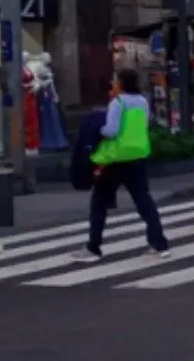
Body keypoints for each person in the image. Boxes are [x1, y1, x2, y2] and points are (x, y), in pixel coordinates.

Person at [72, 68, 170, 262]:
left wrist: (97, 129)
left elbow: (112, 131)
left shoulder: (118, 103)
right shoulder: (142, 102)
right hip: (138, 155)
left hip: (116, 159)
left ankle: (94, 246)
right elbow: (145, 124)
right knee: (144, 201)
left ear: (120, 84)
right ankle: (159, 244)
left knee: (99, 201)